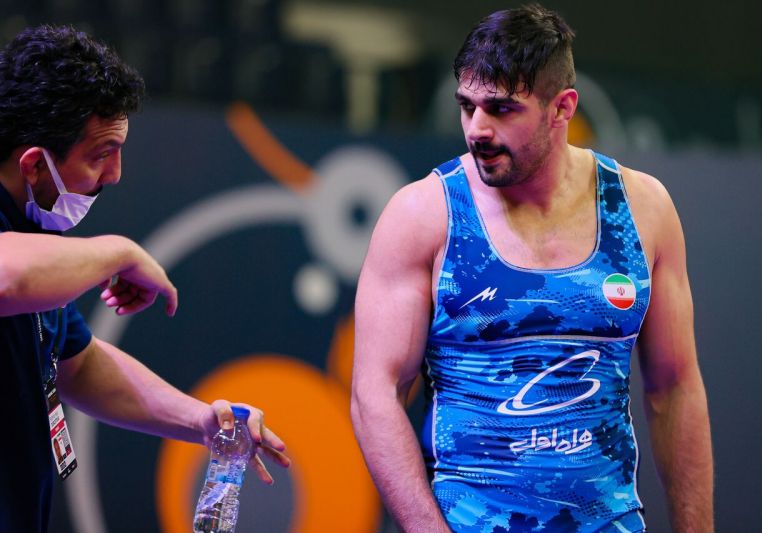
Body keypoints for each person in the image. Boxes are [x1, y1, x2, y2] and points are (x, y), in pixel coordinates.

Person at [351, 4, 713, 532]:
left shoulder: (642, 209)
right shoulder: (424, 215)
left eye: (501, 109)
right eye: (467, 106)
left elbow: (675, 388)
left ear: (562, 108)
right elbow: (375, 395)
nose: (477, 129)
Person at [0, 25, 290, 532]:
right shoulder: (23, 259)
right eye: (101, 154)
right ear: (34, 165)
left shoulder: (34, 232)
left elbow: (79, 365)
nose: (115, 174)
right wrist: (120, 252)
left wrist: (198, 420)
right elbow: (7, 279)